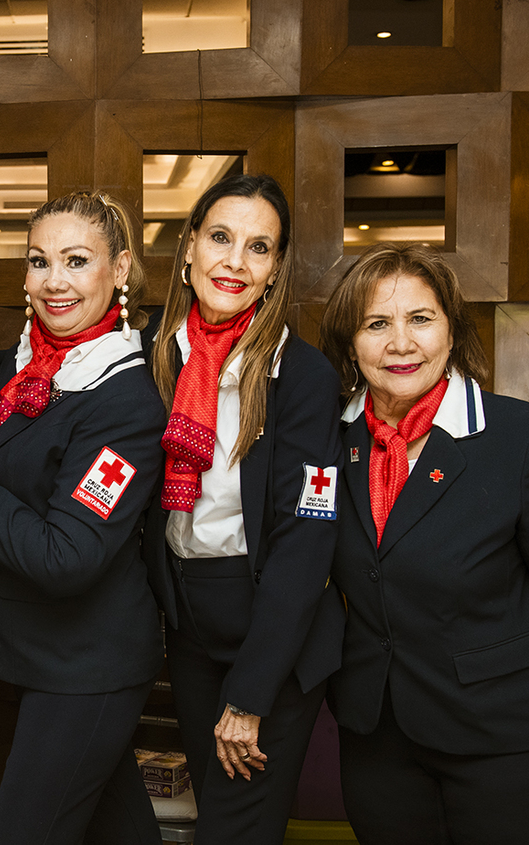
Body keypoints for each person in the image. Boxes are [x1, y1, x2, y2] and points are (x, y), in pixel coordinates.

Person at [319, 243, 529, 844]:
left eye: (420, 319)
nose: (400, 343)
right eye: (377, 324)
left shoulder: (522, 438)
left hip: (500, 741)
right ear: (352, 344)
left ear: (452, 332)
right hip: (378, 738)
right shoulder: (333, 439)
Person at [0, 192, 164, 845]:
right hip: (36, 656)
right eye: (39, 261)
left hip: (86, 667)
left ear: (118, 271)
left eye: (76, 261)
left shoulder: (125, 405)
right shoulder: (41, 364)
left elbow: (67, 557)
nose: (54, 281)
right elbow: (28, 393)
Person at [140, 174, 344, 844]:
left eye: (259, 248)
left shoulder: (304, 376)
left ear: (275, 269)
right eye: (221, 238)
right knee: (222, 818)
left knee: (234, 830)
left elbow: (304, 550)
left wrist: (251, 698)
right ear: (190, 247)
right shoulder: (155, 350)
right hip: (193, 634)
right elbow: (66, 374)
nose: (235, 261)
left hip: (273, 637)